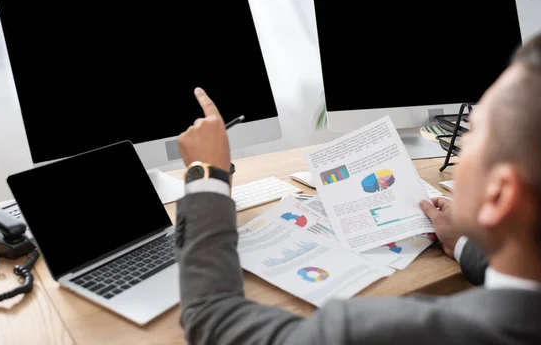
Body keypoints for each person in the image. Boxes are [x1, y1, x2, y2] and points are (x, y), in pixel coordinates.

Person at [174, 34, 541, 345]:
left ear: (500, 196)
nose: (460, 138)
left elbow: (213, 316)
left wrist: (207, 174)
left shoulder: (394, 333)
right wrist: (463, 243)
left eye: (471, 130)